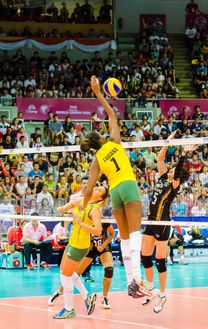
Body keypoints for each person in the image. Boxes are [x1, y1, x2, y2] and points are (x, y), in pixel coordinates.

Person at [80, 76, 147, 298]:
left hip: (115, 192)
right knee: (136, 235)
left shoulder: (96, 160)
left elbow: (89, 189)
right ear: (100, 136)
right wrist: (98, 92)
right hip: (127, 185)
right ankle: (138, 280)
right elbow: (112, 115)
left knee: (125, 237)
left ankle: (130, 283)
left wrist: (82, 207)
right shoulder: (114, 142)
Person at [141, 131, 194, 313]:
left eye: (174, 171)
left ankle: (162, 295)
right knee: (144, 257)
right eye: (170, 169)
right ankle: (151, 289)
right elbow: (161, 157)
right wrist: (168, 140)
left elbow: (178, 170)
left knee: (160, 261)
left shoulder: (174, 185)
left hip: (163, 224)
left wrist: (185, 154)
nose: (170, 170)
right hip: (150, 221)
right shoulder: (164, 177)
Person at [53, 185, 108, 319]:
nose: (95, 188)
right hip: (72, 242)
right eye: (96, 187)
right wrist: (64, 208)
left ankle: (69, 309)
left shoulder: (95, 210)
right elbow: (72, 204)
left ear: (100, 198)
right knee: (64, 272)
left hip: (80, 246)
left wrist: (81, 224)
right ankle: (87, 296)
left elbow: (98, 231)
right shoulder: (83, 201)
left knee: (66, 276)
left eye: (98, 190)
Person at [49, 223, 115, 309]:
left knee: (109, 270)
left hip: (104, 247)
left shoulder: (103, 221)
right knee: (73, 274)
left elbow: (112, 233)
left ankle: (104, 298)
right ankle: (59, 292)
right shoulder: (86, 221)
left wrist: (104, 245)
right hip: (90, 249)